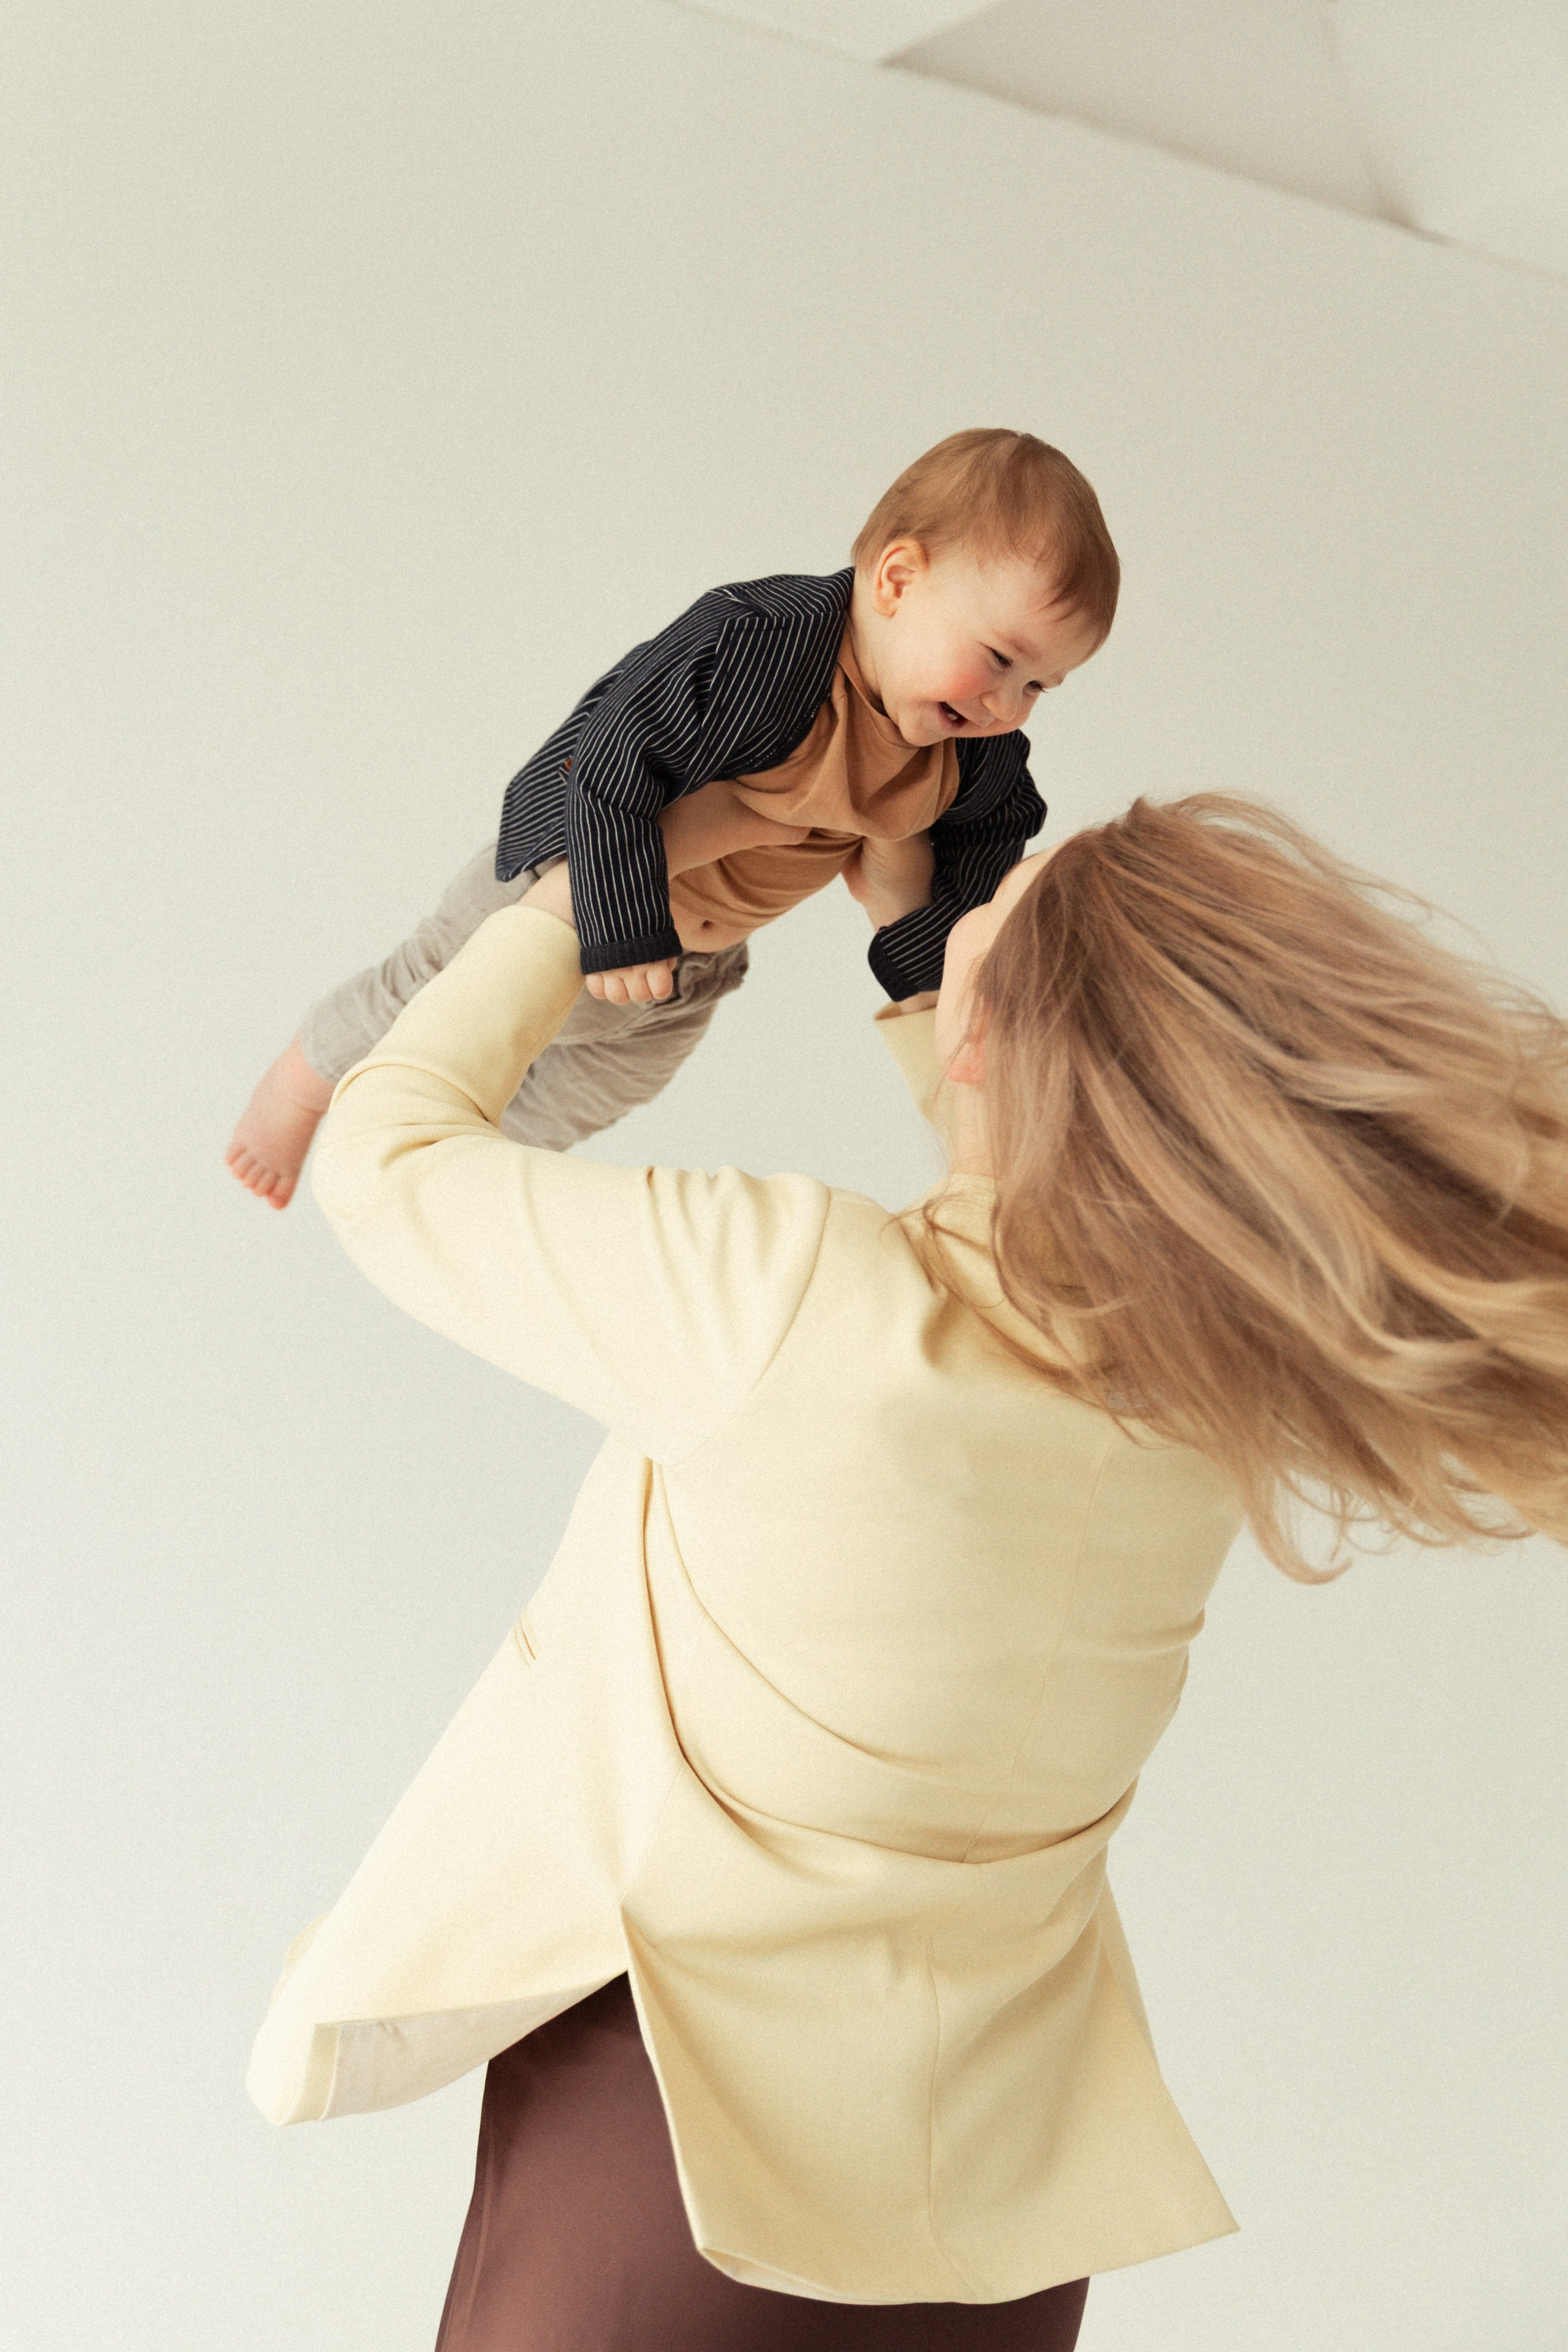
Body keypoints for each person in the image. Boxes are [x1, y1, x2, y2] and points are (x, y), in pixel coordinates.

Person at [247, 791, 1568, 2350]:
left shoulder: (793, 1302)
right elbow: (1043, 1208)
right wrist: (920, 949)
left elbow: (386, 1163)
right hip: (998, 2225)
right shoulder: (1194, 1416)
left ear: (979, 1044)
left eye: (973, 937)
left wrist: (562, 907)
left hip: (677, 2173)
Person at [224, 428, 1116, 1205]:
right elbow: (615, 758)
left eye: (1041, 685)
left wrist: (933, 968)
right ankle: (298, 1089)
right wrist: (622, 922)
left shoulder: (975, 757)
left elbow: (978, 874)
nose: (1009, 706)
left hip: (694, 967)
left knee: (602, 1085)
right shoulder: (762, 646)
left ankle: (448, 1166)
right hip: (573, 884)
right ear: (897, 580)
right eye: (999, 659)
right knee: (423, 996)